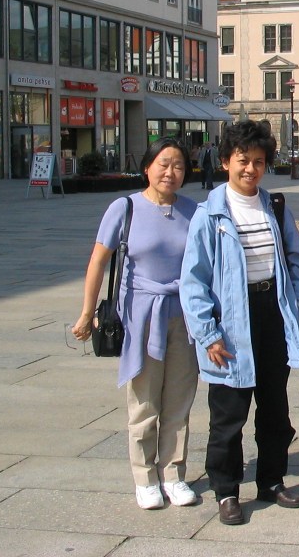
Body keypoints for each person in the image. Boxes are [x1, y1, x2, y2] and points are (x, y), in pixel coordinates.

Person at [179, 120, 299, 526]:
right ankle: (226, 490)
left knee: (275, 409)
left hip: (271, 314)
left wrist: (297, 298)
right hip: (231, 322)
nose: (250, 169)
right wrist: (208, 333)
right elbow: (193, 281)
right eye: (242, 160)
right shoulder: (209, 215)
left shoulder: (274, 206)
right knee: (228, 414)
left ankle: (271, 480)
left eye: (258, 161)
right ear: (225, 162)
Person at [72, 137, 200, 511]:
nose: (170, 172)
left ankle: (173, 474)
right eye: (163, 164)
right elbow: (98, 261)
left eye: (178, 165)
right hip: (141, 316)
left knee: (179, 400)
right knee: (144, 402)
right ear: (147, 167)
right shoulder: (124, 208)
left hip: (184, 316)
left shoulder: (193, 211)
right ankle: (145, 479)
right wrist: (86, 313)